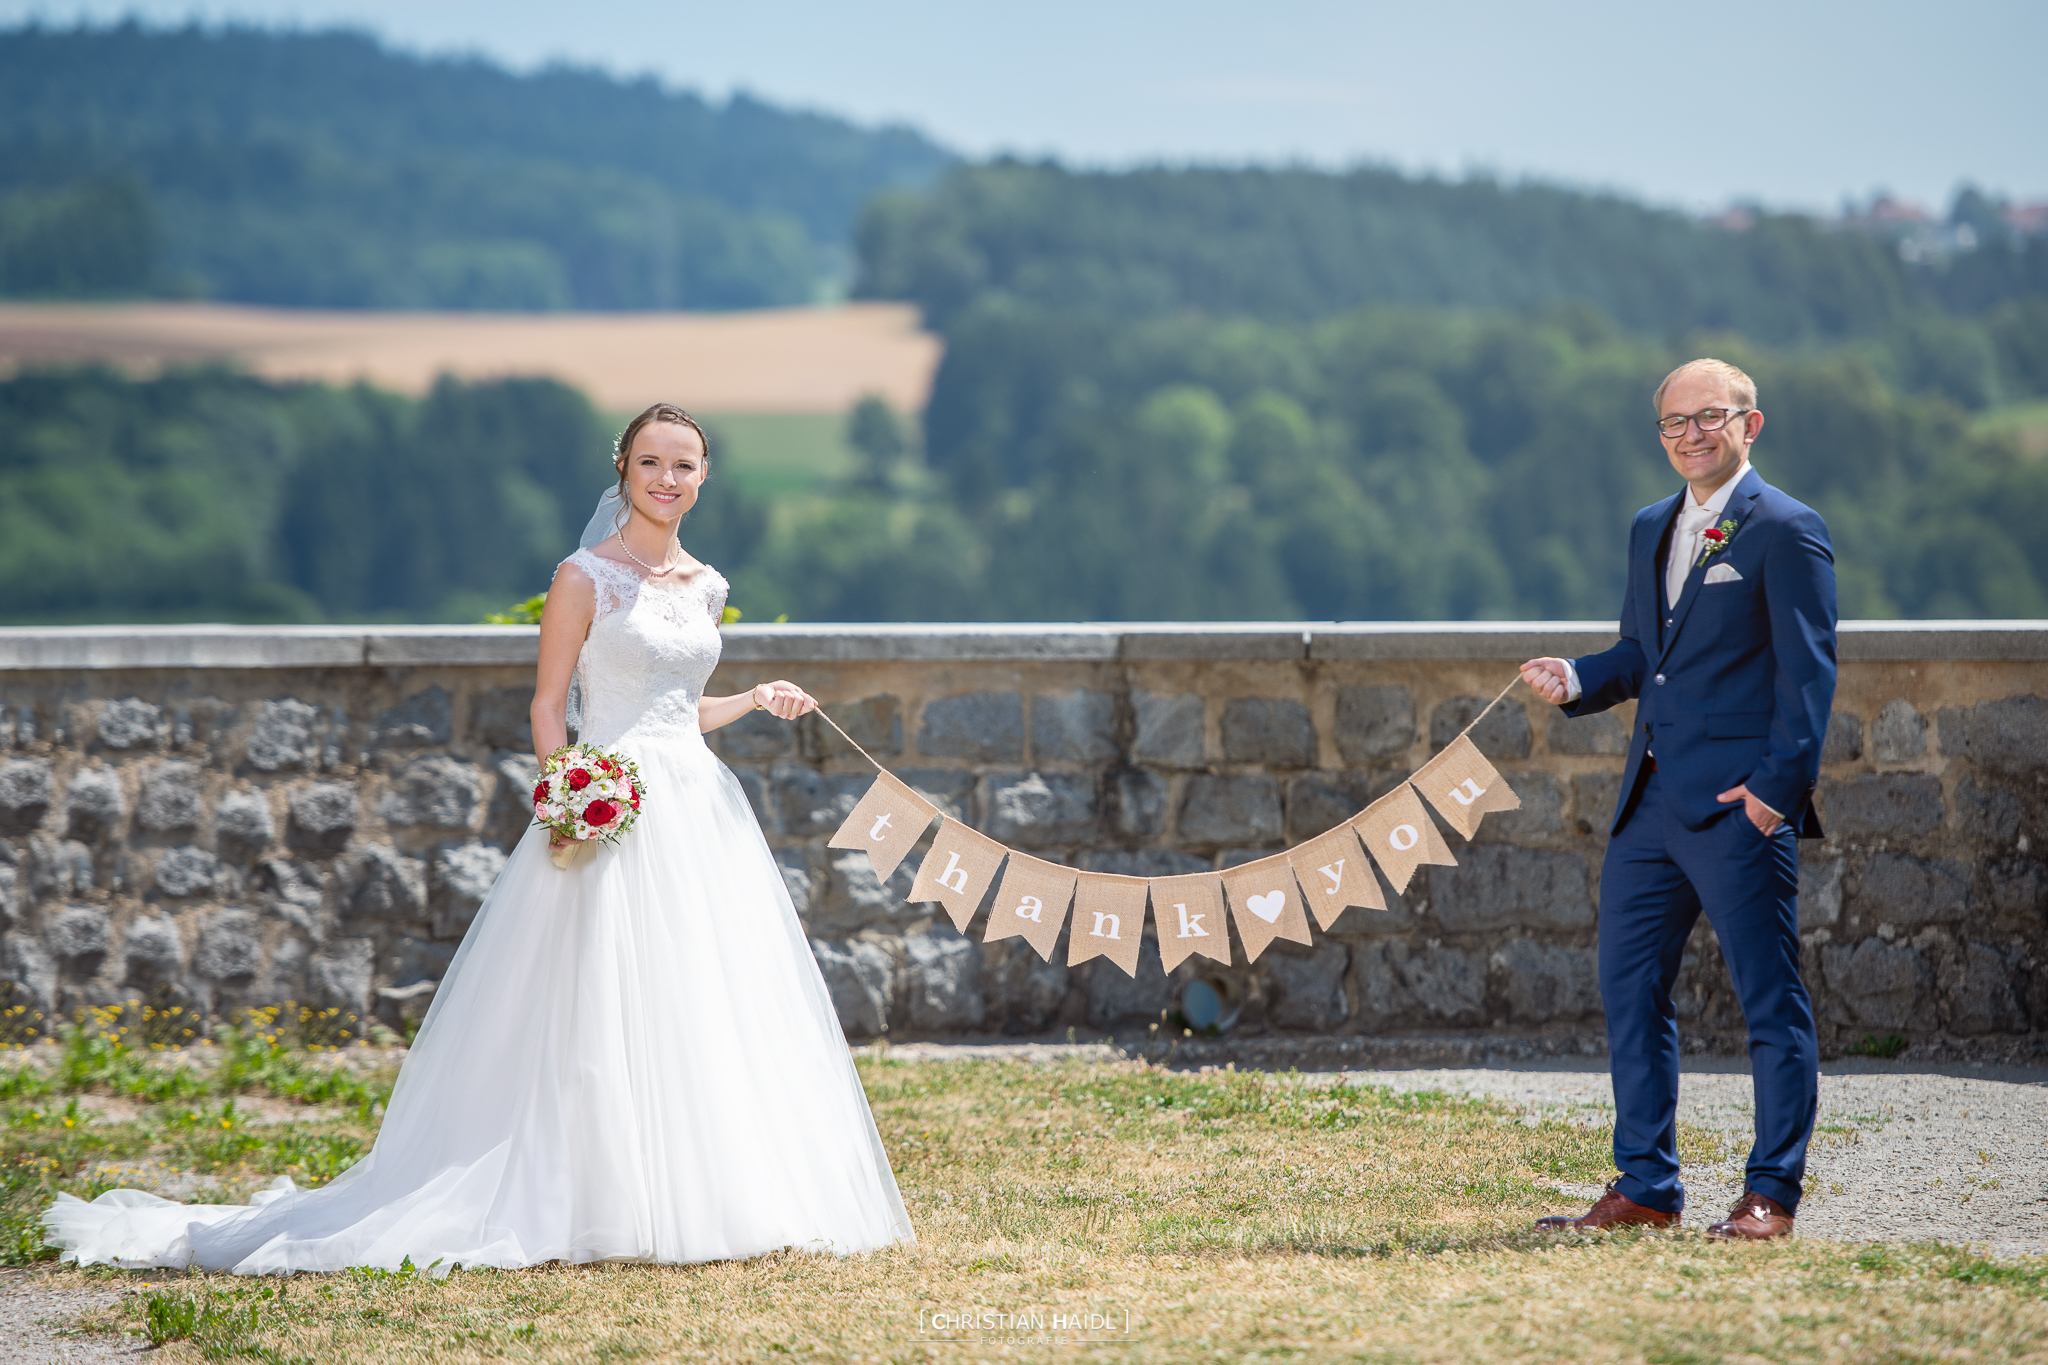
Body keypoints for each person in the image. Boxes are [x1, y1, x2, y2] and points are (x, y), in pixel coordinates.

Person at [44, 402, 915, 1272]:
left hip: (696, 806)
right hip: (609, 802)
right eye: (651, 463)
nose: (667, 480)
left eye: (683, 465)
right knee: (591, 1001)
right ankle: (587, 1187)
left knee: (701, 993)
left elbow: (682, 714)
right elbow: (549, 703)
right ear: (624, 468)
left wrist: (759, 697)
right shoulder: (584, 575)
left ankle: (709, 1186)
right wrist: (569, 792)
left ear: (705, 474)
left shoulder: (709, 583)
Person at [1520, 358, 1835, 1241]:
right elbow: (1641, 655)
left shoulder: (1788, 530)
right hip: (1648, 807)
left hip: (1740, 808)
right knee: (1629, 991)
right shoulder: (1650, 526)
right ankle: (1647, 1187)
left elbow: (1809, 678)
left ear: (1751, 423)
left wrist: (1776, 793)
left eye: (1709, 417)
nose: (1691, 434)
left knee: (1768, 1000)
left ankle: (1771, 1193)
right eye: (1673, 423)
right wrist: (1578, 675)